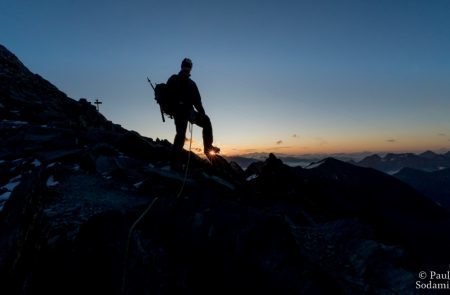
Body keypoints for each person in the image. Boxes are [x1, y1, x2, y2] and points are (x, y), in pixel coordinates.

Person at [167, 58, 220, 171]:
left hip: (177, 112)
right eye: (187, 66)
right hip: (187, 112)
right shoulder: (191, 84)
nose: (187, 68)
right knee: (206, 122)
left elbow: (168, 95)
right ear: (190, 68)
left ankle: (175, 164)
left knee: (180, 135)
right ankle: (207, 148)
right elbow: (198, 102)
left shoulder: (173, 79)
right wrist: (202, 114)